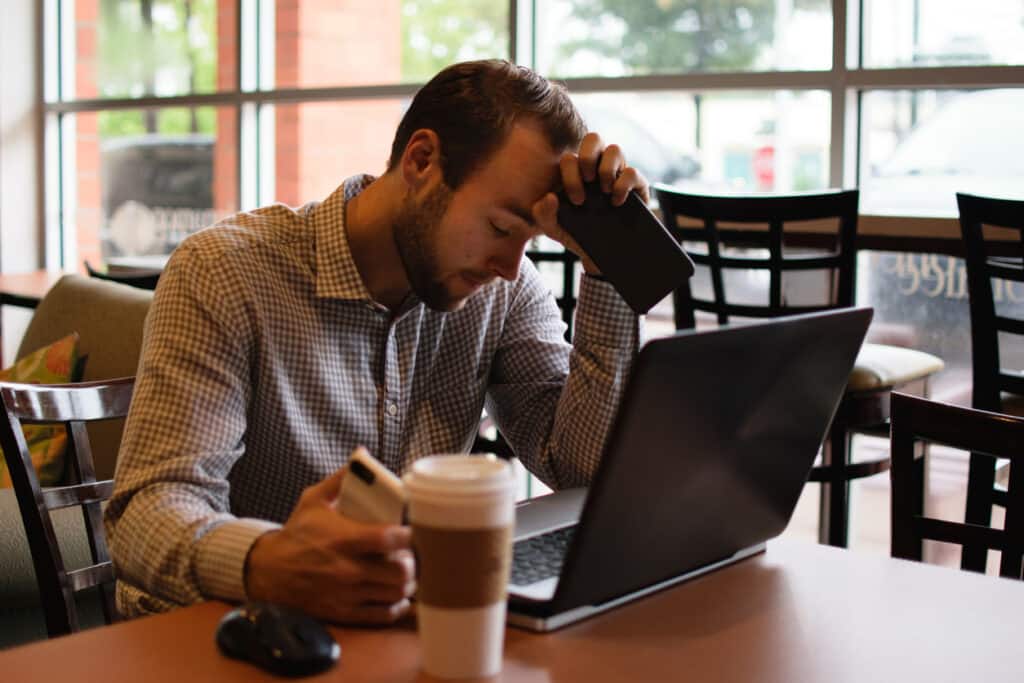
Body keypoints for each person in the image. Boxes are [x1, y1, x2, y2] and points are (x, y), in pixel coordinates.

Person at [105, 59, 649, 624]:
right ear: (422, 161)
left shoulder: (502, 290)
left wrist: (611, 263)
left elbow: (581, 474)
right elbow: (146, 513)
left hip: (393, 631)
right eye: (500, 227)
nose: (511, 267)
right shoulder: (224, 273)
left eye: (530, 241)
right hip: (230, 632)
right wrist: (265, 562)